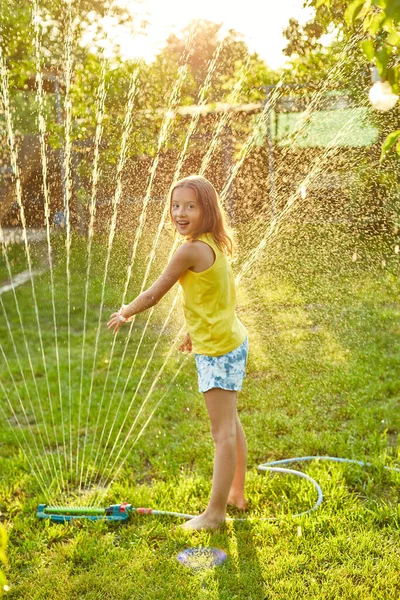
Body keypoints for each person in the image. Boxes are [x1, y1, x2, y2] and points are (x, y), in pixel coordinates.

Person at [107, 175, 249, 531]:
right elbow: (213, 296)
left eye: (190, 206)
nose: (180, 212)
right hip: (229, 341)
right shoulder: (212, 243)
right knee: (231, 424)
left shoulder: (188, 250)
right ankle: (236, 494)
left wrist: (126, 310)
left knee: (223, 434)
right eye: (175, 205)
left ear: (207, 210)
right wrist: (193, 330)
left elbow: (156, 292)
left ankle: (215, 515)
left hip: (217, 351)